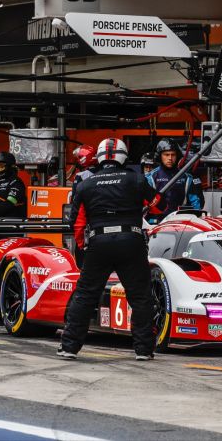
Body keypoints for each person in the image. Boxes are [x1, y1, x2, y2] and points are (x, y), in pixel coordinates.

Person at [60, 138, 159, 361]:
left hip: (99, 243)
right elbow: (158, 203)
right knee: (141, 297)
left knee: (85, 295)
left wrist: (82, 245)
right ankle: (144, 350)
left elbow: (75, 221)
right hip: (131, 241)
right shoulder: (137, 179)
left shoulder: (86, 184)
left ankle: (69, 347)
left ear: (101, 157)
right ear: (123, 156)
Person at [146, 139, 202, 223]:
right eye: (166, 155)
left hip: (181, 222)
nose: (170, 158)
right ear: (160, 156)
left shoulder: (187, 178)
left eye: (173, 155)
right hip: (156, 224)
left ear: (177, 156)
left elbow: (197, 205)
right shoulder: (150, 178)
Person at [0, 151, 26, 218]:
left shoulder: (16, 182)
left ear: (10, 166)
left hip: (12, 222)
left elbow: (10, 203)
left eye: (1, 167)